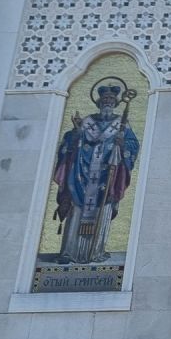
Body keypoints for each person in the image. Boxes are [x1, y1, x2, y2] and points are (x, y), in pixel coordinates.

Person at [52, 80, 139, 264]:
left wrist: (123, 146)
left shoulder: (121, 124)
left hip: (107, 177)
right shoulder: (86, 122)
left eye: (111, 99)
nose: (107, 102)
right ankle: (69, 251)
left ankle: (96, 252)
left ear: (115, 103)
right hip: (80, 175)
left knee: (103, 210)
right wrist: (76, 133)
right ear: (99, 102)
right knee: (76, 213)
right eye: (104, 99)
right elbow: (68, 143)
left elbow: (132, 145)